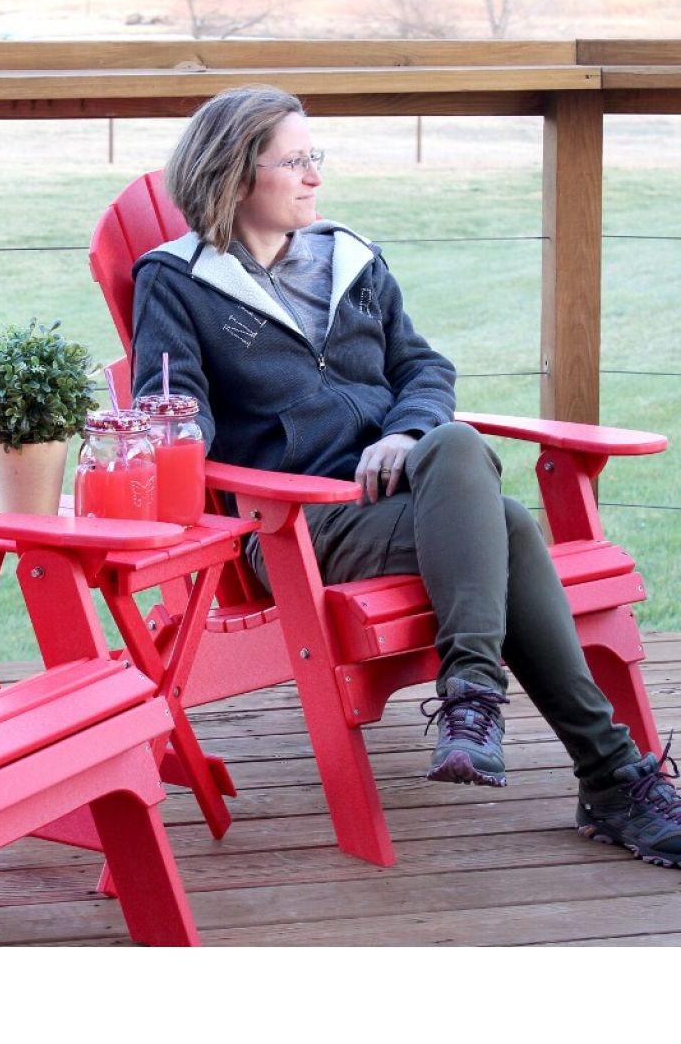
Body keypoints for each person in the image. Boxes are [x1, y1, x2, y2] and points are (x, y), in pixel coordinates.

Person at [131, 84, 681, 866]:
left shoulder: (349, 257)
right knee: (512, 522)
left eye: (312, 157)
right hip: (293, 522)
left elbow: (422, 366)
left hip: (403, 492)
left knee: (452, 438)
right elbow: (175, 417)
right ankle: (608, 774)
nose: (315, 176)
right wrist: (173, 432)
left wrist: (404, 430)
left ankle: (478, 703)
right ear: (235, 173)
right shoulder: (178, 282)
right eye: (295, 161)